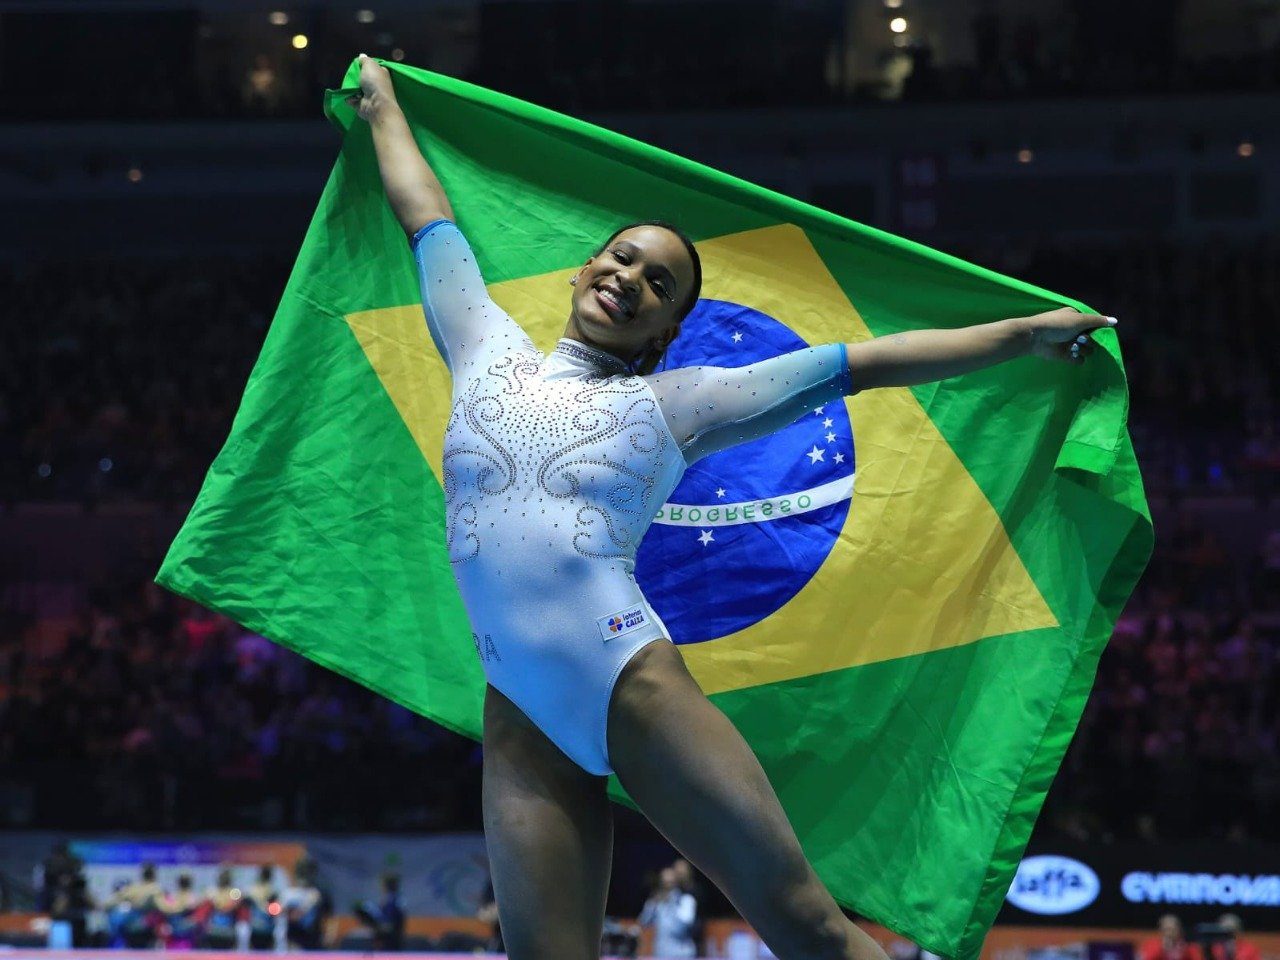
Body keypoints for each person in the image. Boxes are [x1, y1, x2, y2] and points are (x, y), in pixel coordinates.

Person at [349, 52, 1116, 960]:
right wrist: (380, 103)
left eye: (658, 283)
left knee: (805, 927)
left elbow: (866, 364)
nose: (631, 277)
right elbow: (425, 213)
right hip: (518, 717)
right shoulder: (481, 343)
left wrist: (1023, 335)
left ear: (665, 331)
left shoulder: (679, 405)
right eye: (624, 257)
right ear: (584, 268)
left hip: (629, 684)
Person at [637, 867, 698, 959]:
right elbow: (643, 923)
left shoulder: (686, 900)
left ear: (677, 883)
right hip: (661, 953)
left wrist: (671, 903)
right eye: (664, 884)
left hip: (682, 955)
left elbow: (680, 929)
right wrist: (652, 904)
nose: (667, 889)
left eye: (671, 884)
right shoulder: (656, 902)